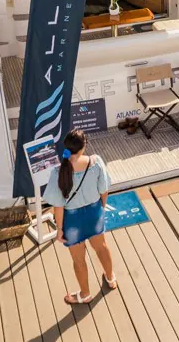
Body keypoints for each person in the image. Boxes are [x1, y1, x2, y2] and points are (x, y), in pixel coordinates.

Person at [44, 129, 117, 305]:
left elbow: (58, 206)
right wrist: (101, 206)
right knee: (101, 247)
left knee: (79, 259)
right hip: (94, 213)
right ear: (83, 146)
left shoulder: (58, 172)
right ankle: (110, 278)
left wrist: (59, 229)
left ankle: (85, 295)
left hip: (72, 220)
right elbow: (104, 190)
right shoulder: (96, 162)